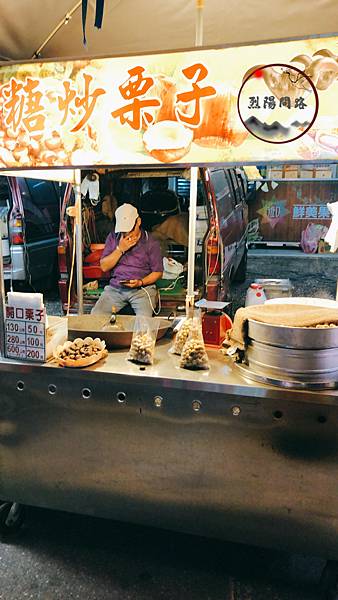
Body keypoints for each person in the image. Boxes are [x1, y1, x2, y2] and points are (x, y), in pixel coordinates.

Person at [91, 203, 163, 317]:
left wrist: (141, 282)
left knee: (145, 322)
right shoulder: (113, 237)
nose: (126, 234)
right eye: (123, 231)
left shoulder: (151, 242)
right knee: (96, 315)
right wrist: (120, 249)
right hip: (116, 289)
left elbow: (158, 272)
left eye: (129, 230)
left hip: (142, 290)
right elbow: (104, 266)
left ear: (138, 222)